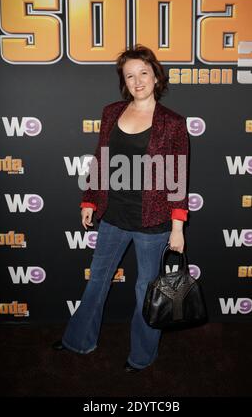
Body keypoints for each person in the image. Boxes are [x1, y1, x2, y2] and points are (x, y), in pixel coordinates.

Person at [52, 44, 189, 373]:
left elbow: (178, 177)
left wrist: (177, 228)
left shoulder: (172, 123)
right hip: (113, 216)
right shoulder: (111, 112)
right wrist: (90, 200)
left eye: (143, 73)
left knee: (146, 291)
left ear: (156, 76)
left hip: (152, 224)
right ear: (123, 82)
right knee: (96, 281)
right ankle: (79, 340)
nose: (137, 80)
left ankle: (142, 356)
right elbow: (101, 160)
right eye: (130, 76)